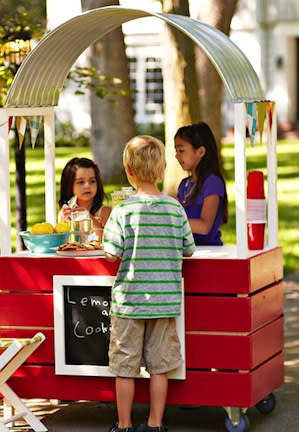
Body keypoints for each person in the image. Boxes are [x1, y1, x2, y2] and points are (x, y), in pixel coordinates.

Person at [103, 135, 196, 432]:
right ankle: (155, 424)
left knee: (124, 367)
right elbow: (188, 248)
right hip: (164, 301)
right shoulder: (175, 209)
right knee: (160, 366)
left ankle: (124, 425)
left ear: (128, 171)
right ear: (162, 170)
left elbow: (111, 254)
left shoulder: (122, 212)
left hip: (129, 303)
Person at [175, 121, 228, 246]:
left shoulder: (212, 183)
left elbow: (204, 226)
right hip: (188, 254)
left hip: (210, 254)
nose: (177, 156)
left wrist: (170, 221)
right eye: (176, 151)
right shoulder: (183, 185)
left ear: (200, 152)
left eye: (181, 151)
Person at [58, 157, 111, 238]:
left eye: (92, 181)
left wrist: (88, 217)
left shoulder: (105, 212)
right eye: (81, 182)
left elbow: (105, 240)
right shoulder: (65, 213)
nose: (87, 186)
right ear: (69, 185)